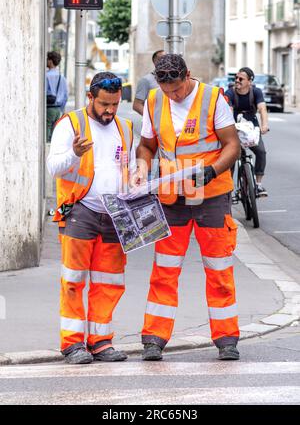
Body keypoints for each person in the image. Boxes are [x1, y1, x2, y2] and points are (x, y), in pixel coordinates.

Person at [134, 54, 241, 361]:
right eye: (168, 91)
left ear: (188, 76)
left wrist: (213, 169)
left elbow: (231, 144)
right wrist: (142, 167)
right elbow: (147, 145)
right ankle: (154, 339)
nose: (174, 96)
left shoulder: (212, 98)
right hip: (172, 199)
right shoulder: (155, 101)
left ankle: (226, 339)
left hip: (211, 196)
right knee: (164, 270)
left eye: (178, 90)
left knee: (219, 268)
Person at [47, 72, 136, 364]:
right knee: (73, 280)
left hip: (115, 213)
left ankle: (100, 342)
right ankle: (72, 345)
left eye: (115, 104)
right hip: (80, 211)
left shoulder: (125, 127)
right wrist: (74, 154)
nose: (110, 111)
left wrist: (137, 181)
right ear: (90, 98)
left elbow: (130, 168)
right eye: (104, 104)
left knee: (109, 282)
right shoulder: (70, 125)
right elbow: (53, 169)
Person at [225, 67, 269, 197]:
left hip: (251, 129)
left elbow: (262, 109)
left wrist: (264, 125)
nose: (237, 80)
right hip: (234, 129)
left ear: (250, 81)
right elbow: (228, 110)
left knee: (261, 151)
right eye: (236, 78)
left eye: (241, 79)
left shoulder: (256, 92)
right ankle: (227, 190)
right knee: (231, 158)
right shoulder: (230, 93)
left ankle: (258, 184)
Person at [132, 50, 166, 116]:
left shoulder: (173, 79)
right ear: (154, 62)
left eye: (166, 59)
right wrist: (151, 119)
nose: (164, 62)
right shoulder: (145, 80)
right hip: (154, 125)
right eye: (161, 59)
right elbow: (137, 105)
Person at [46, 51, 68, 143]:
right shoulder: (61, 77)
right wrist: (62, 109)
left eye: (47, 59)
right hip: (58, 109)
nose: (46, 61)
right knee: (56, 132)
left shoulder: (46, 76)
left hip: (48, 108)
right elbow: (65, 95)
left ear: (50, 61)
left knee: (47, 133)